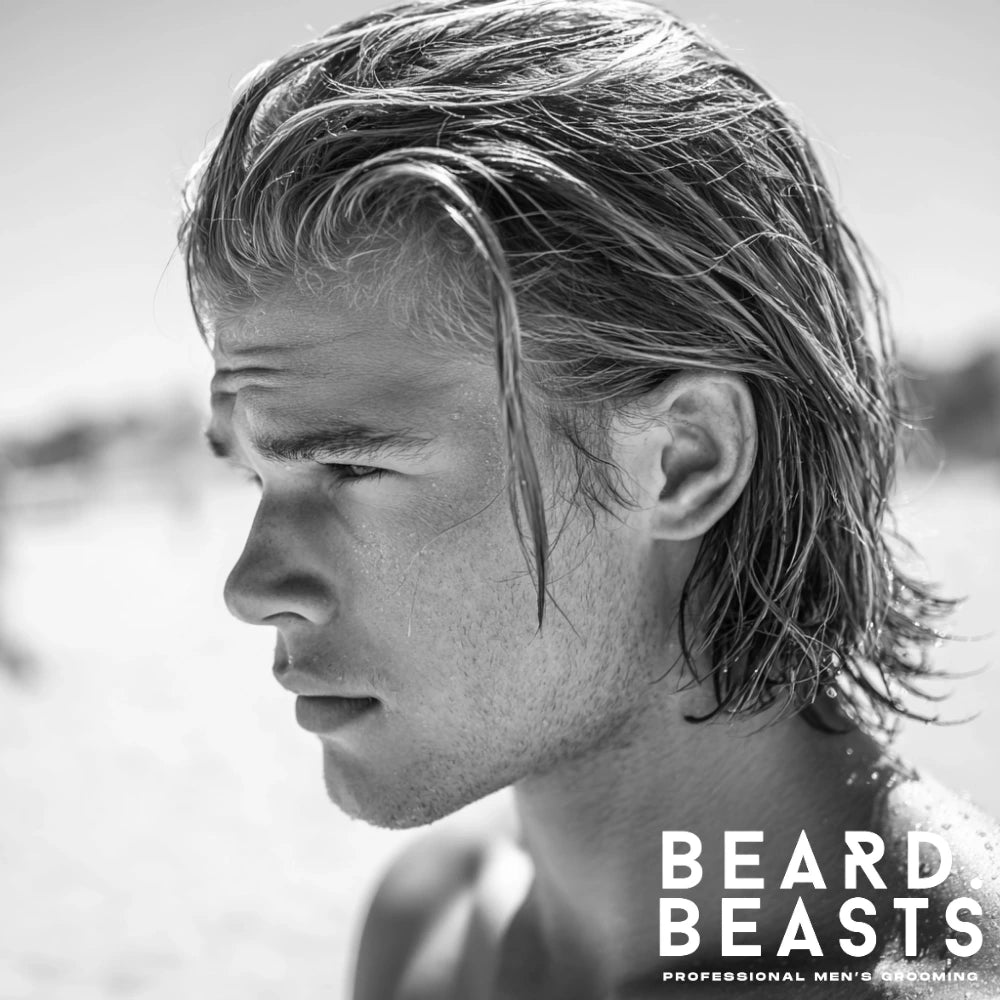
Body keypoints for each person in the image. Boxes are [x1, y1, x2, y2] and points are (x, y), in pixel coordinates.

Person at [180, 1, 1000, 995]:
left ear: (683, 460)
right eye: (260, 476)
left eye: (353, 468)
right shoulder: (431, 924)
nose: (253, 583)